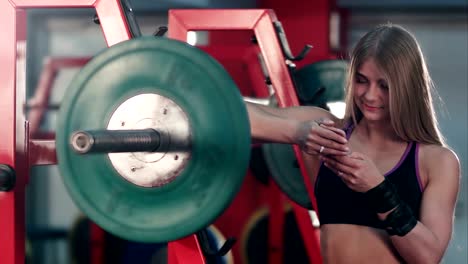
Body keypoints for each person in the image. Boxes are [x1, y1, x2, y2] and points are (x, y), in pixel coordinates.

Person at [246, 23, 460, 263]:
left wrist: (378, 189)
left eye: (384, 86)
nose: (370, 95)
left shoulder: (437, 161)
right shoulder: (327, 130)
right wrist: (296, 131)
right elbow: (232, 117)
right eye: (361, 80)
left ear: (407, 88)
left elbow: (428, 256)